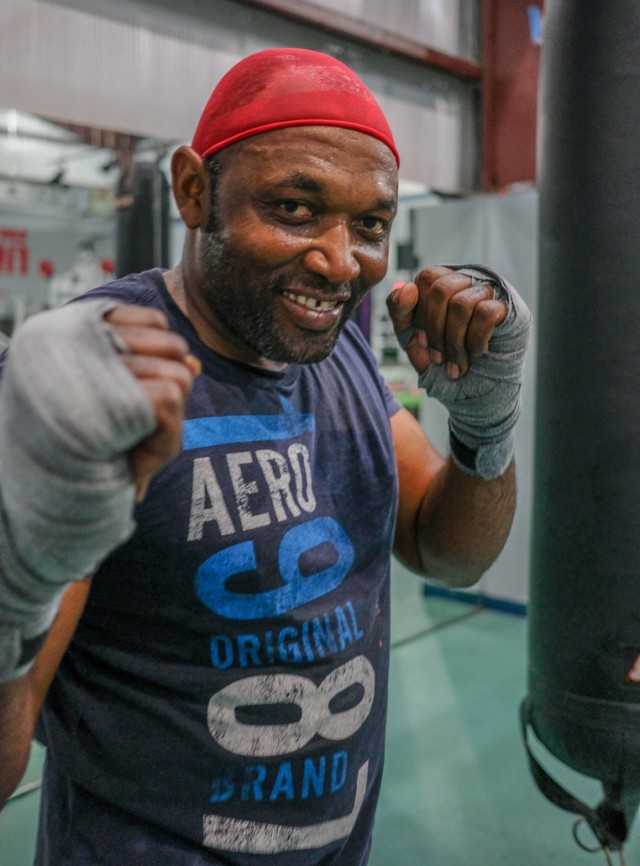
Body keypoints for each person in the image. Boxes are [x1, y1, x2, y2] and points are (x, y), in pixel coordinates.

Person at [0, 48, 531, 865]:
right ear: (192, 191)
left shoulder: (340, 354)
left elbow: (444, 548)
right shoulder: (110, 371)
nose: (338, 260)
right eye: (293, 207)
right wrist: (15, 583)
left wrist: (485, 429)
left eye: (370, 225)